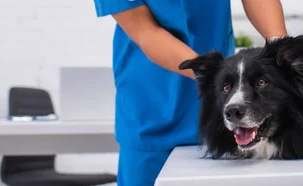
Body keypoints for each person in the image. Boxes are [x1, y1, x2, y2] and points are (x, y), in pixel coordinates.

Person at [92, 0, 288, 185]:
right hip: (150, 105)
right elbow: (146, 31)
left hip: (218, 111)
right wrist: (210, 74)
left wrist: (282, 48)